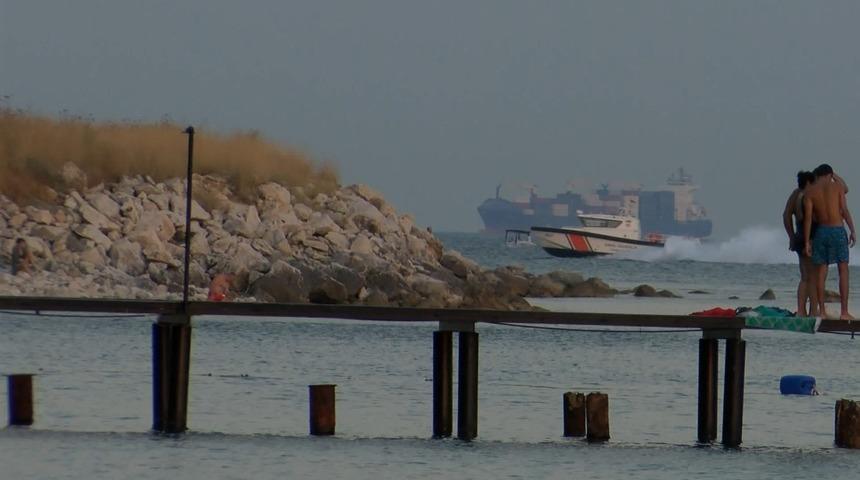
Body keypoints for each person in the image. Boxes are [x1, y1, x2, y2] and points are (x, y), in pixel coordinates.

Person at [803, 164, 856, 319]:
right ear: (830, 174)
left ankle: (822, 311)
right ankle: (844, 312)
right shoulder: (837, 186)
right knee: (843, 270)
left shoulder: (810, 191)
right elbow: (844, 210)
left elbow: (808, 219)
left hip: (821, 231)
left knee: (821, 272)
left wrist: (807, 241)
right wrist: (852, 230)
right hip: (838, 230)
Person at [782, 171, 816, 316]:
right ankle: (813, 311)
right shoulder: (807, 196)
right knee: (813, 276)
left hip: (799, 237)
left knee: (805, 276)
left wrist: (791, 236)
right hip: (810, 238)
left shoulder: (795, 194)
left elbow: (786, 215)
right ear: (808, 182)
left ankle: (802, 310)